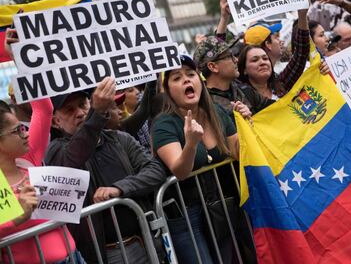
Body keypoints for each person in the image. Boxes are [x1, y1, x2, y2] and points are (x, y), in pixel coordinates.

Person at [45, 77, 167, 263]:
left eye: (82, 104)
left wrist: (120, 188)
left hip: (147, 239)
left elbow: (155, 170)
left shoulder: (119, 138)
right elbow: (75, 155)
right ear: (56, 122)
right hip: (109, 253)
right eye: (69, 110)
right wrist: (97, 113)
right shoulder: (56, 151)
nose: (79, 113)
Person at [151, 55, 250, 264]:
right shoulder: (163, 124)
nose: (186, 80)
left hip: (220, 209)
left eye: (190, 74)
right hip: (187, 218)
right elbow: (180, 171)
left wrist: (246, 124)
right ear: (167, 90)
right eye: (176, 78)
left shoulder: (217, 113)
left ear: (200, 80)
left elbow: (239, 152)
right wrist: (191, 144)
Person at [0, 98, 85, 263]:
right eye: (17, 130)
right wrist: (17, 218)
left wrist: (30, 71)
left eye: (23, 127)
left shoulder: (28, 160)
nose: (26, 133)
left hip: (74, 257)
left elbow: (44, 109)